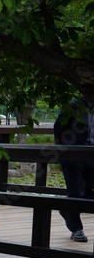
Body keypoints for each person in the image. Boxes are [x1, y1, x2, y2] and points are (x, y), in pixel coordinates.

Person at [53, 98, 94, 242]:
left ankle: (67, 209)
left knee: (91, 191)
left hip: (91, 154)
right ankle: (77, 229)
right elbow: (58, 126)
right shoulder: (73, 105)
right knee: (75, 191)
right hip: (72, 154)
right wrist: (61, 151)